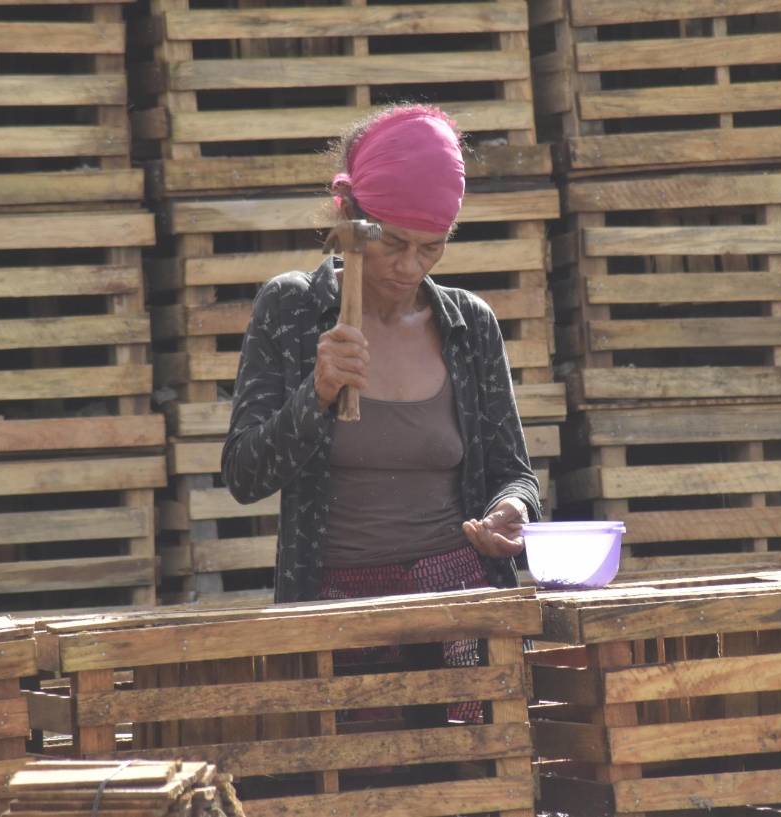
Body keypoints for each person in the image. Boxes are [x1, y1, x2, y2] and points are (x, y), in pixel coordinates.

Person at [221, 104, 542, 613]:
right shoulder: (293, 310)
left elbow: (515, 472)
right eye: (392, 242)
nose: (409, 266)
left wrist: (513, 509)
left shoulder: (469, 326)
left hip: (461, 604)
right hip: (334, 609)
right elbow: (243, 476)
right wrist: (316, 393)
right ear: (351, 218)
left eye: (430, 247)